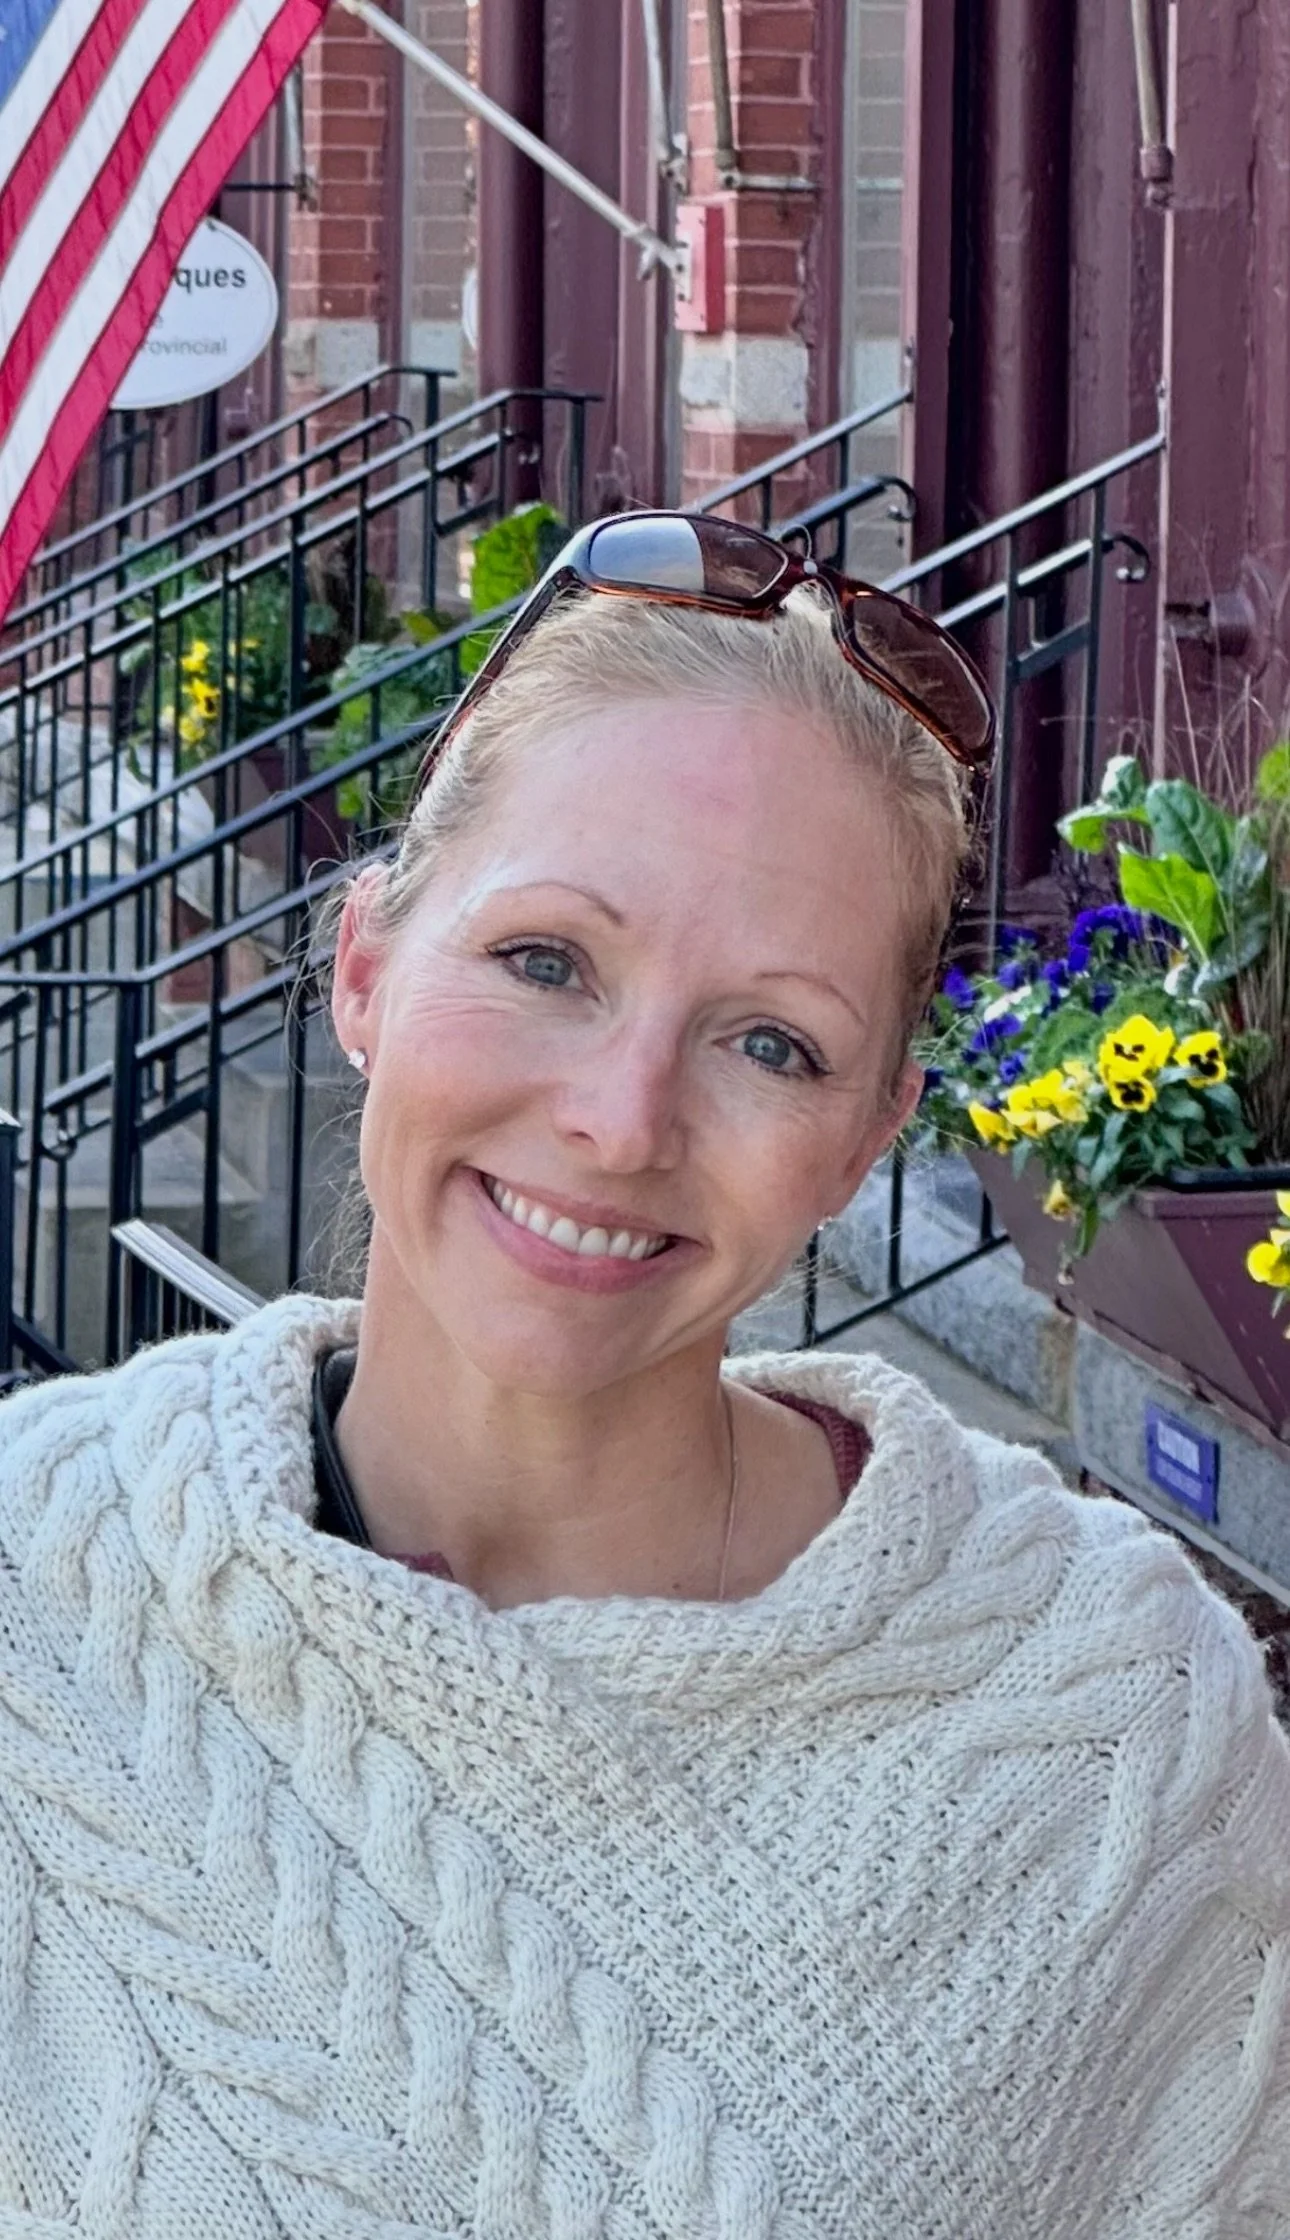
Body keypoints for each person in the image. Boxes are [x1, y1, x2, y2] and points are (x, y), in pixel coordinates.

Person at [0, 513, 1285, 2237]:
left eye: (773, 1043)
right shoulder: (35, 1596)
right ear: (366, 966)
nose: (621, 1121)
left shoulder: (1113, 1715)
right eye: (545, 961)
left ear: (867, 1140)